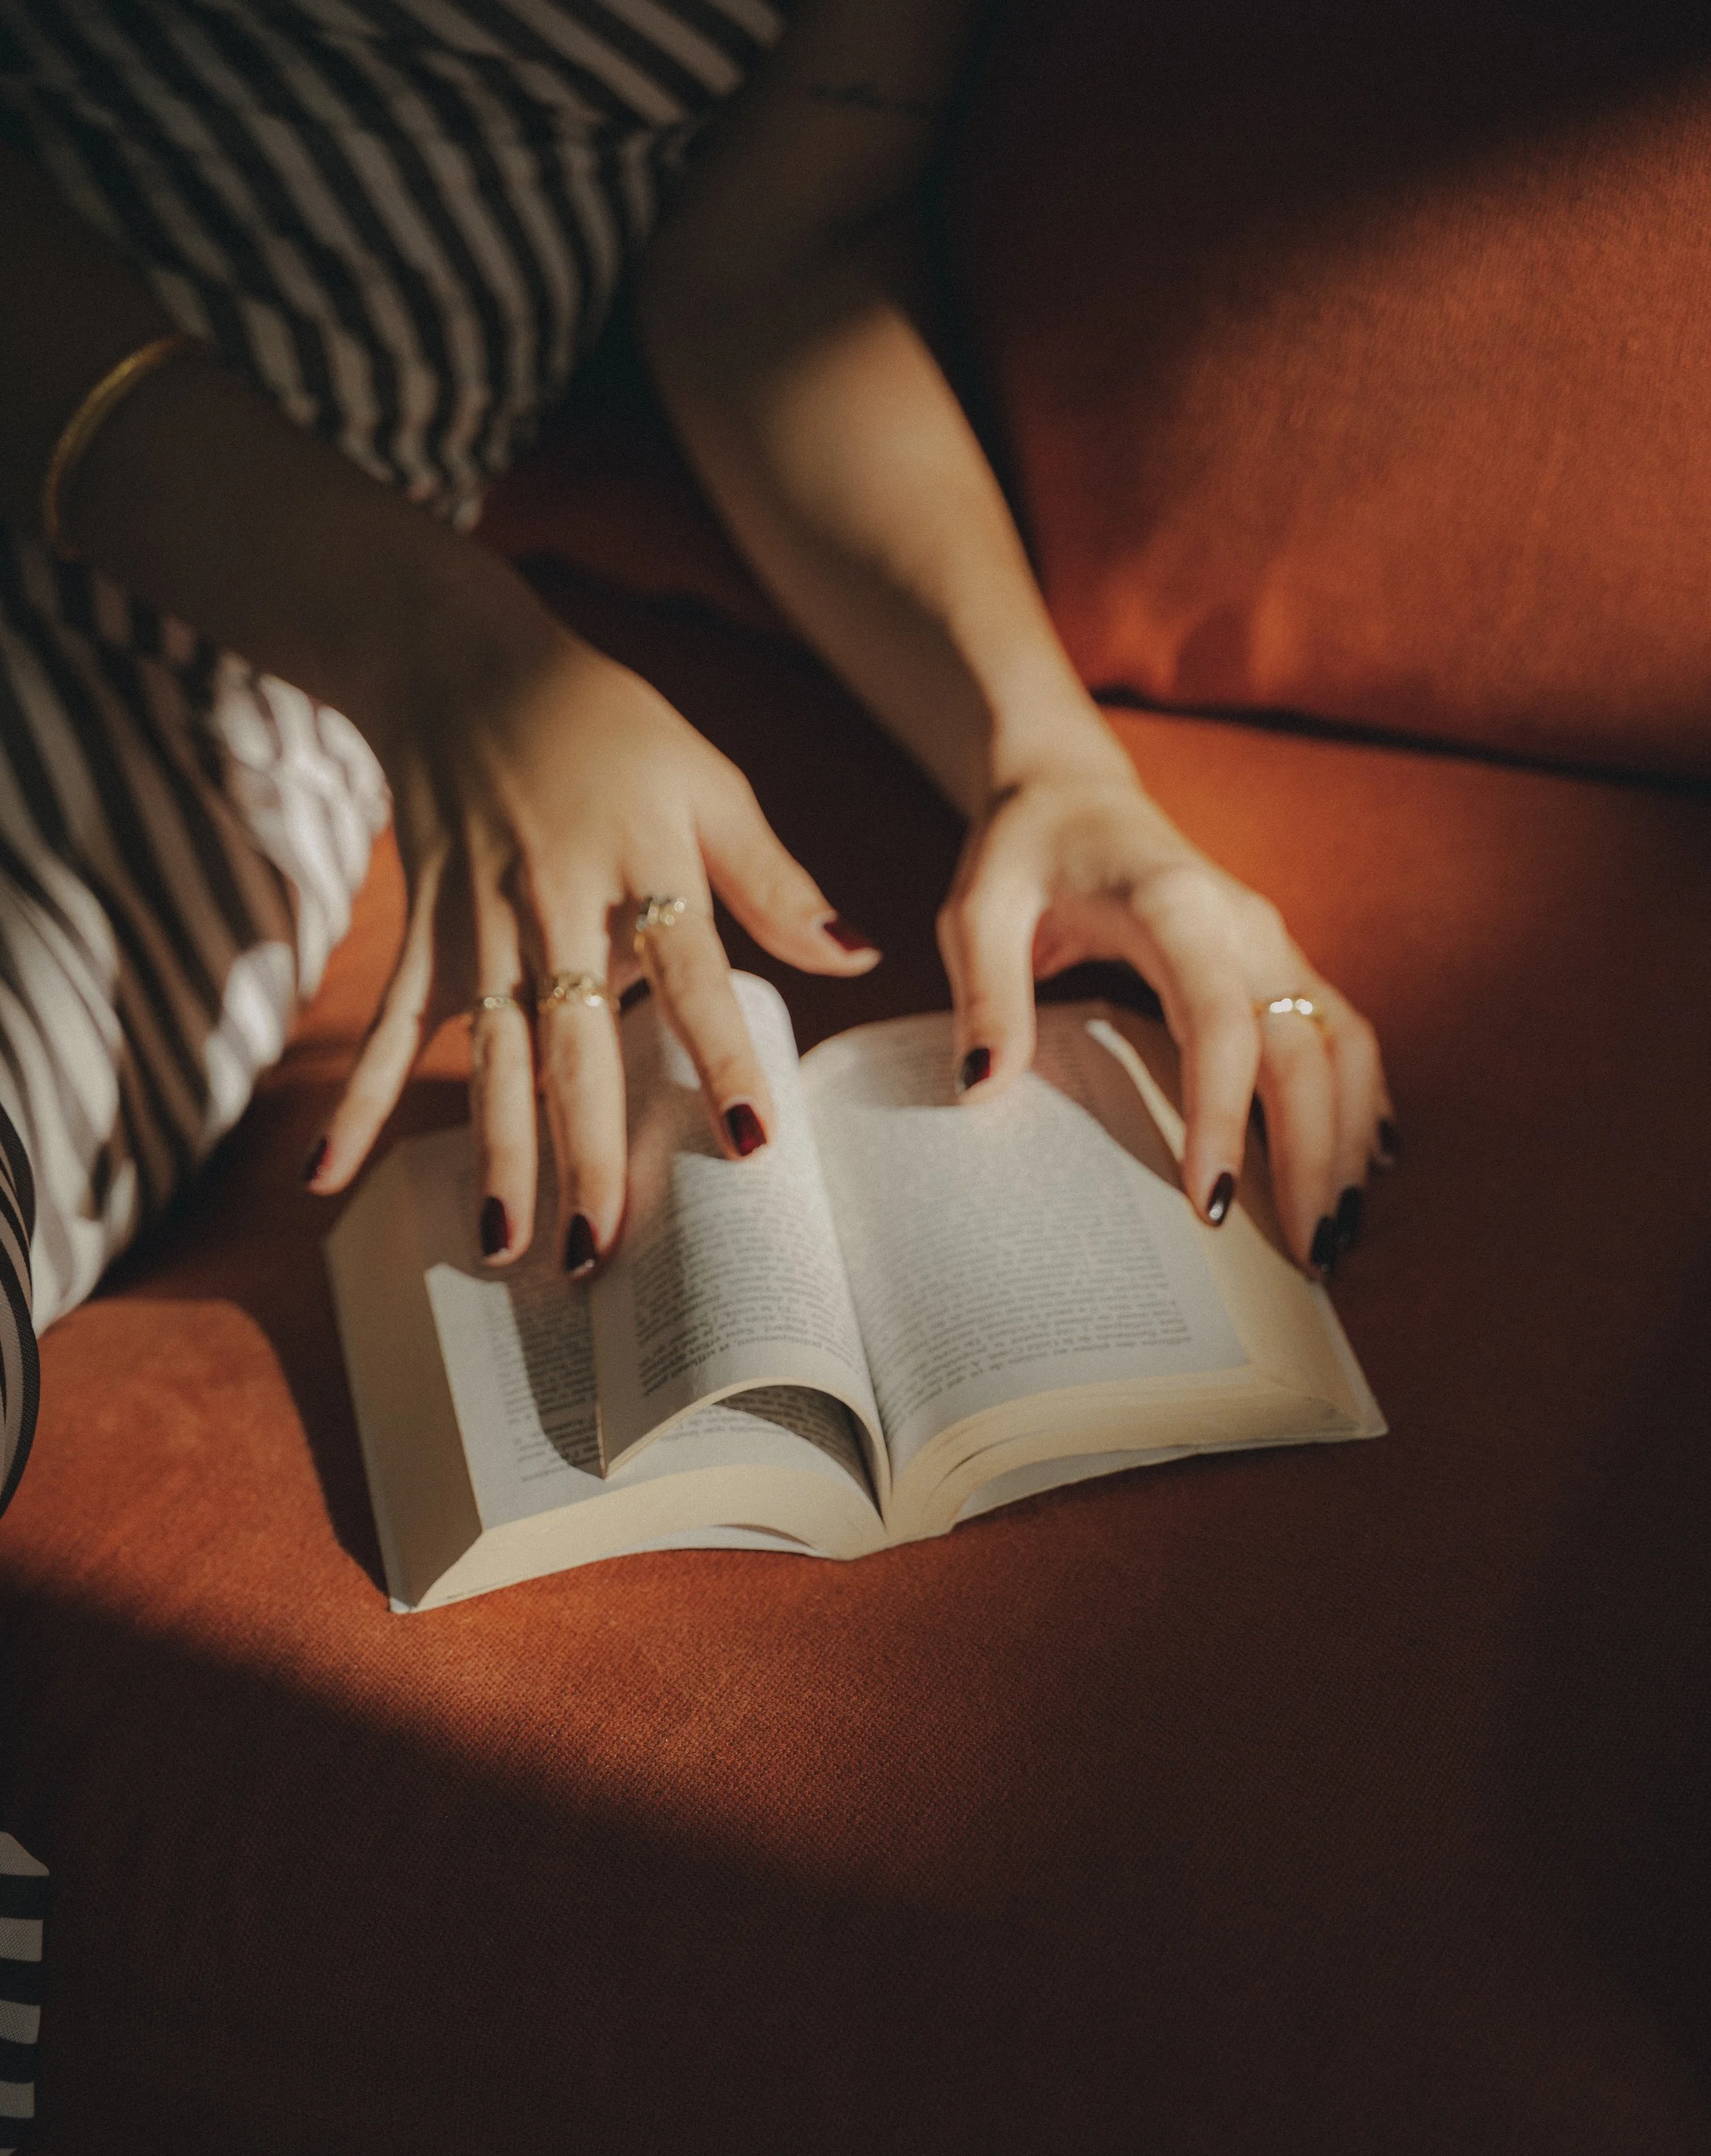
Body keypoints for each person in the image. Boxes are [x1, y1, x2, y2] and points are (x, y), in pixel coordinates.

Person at [0, 0, 1391, 1522]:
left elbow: (774, 266)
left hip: (183, 723)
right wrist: (449, 649)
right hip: (354, 620)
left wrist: (1054, 768)